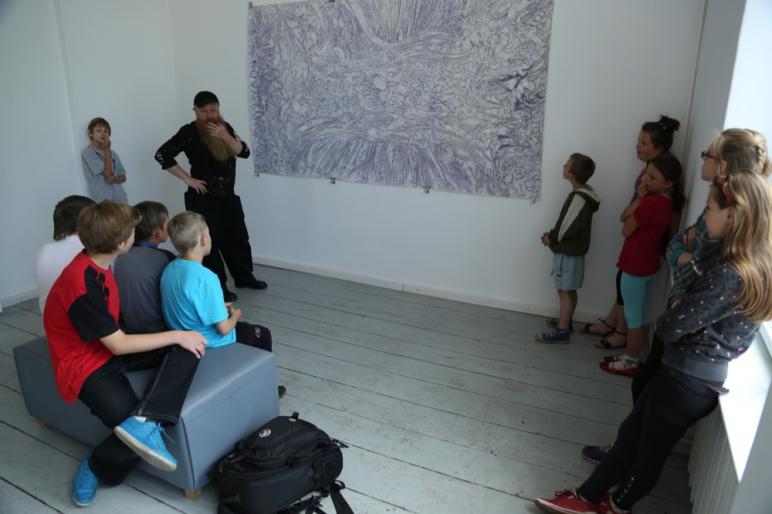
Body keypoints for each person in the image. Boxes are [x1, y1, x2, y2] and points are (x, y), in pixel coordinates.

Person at [535, 171, 772, 514]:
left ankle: (616, 505)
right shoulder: (737, 264)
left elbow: (671, 326)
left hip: (688, 381)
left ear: (733, 216)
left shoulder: (730, 275)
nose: (705, 217)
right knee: (631, 436)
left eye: (710, 209)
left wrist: (676, 303)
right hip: (685, 375)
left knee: (647, 453)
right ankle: (587, 497)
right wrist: (684, 296)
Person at [582, 129, 771, 463]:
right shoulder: (715, 209)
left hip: (686, 338)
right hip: (681, 323)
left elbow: (691, 271)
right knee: (643, 390)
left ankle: (626, 461)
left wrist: (685, 264)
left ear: (723, 165)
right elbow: (675, 246)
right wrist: (685, 259)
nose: (702, 159)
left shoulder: (729, 221)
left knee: (648, 397)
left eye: (707, 154)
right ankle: (624, 455)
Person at [42, 200, 207, 507]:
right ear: (121, 243)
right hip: (84, 364)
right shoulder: (80, 284)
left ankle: (145, 421)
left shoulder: (100, 261)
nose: (135, 234)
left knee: (190, 346)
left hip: (108, 346)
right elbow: (117, 344)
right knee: (130, 432)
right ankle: (96, 464)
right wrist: (176, 334)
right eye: (132, 231)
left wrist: (180, 337)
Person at [160, 210, 285, 398]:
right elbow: (224, 329)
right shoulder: (206, 278)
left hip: (182, 334)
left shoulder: (170, 268)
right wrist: (235, 315)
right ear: (203, 239)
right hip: (208, 341)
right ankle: (267, 391)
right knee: (262, 334)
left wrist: (217, 306)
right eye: (209, 233)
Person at [155, 91, 265, 303]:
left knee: (238, 238)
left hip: (228, 197)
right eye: (203, 111)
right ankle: (218, 286)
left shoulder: (225, 127)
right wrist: (188, 179)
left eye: (213, 110)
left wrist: (225, 136)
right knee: (208, 244)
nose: (209, 115)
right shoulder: (189, 132)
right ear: (195, 111)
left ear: (218, 109)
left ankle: (244, 277)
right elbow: (162, 154)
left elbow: (244, 152)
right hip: (203, 199)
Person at [582, 116, 681, 349]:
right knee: (622, 283)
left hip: (641, 243)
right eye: (639, 141)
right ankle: (612, 323)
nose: (638, 146)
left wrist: (636, 210)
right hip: (637, 241)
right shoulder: (655, 176)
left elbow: (628, 225)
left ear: (660, 149)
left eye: (644, 143)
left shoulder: (658, 192)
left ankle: (621, 334)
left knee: (630, 297)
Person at [599, 154, 685, 375]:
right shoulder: (664, 202)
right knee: (641, 314)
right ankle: (634, 355)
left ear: (669, 183)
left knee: (634, 317)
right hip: (647, 264)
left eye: (653, 177)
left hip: (635, 265)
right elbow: (624, 218)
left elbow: (625, 228)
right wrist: (640, 198)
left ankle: (631, 360)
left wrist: (641, 202)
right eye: (647, 173)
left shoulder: (653, 203)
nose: (646, 179)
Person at [536, 153, 600, 343]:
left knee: (564, 291)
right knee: (570, 290)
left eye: (566, 165)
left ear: (571, 174)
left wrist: (550, 238)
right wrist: (553, 235)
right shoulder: (587, 193)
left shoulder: (578, 198)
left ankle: (562, 331)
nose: (563, 166)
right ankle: (566, 321)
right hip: (575, 251)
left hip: (568, 252)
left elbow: (564, 227)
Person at [113, 201, 175, 334]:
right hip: (160, 331)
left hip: (128, 330)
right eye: (167, 223)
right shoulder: (166, 258)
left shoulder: (118, 257)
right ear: (157, 233)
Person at [35, 195, 95, 313]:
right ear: (86, 223)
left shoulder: (44, 250)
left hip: (50, 318)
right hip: (80, 320)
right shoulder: (89, 249)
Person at [81, 117, 128, 203]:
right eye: (99, 130)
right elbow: (107, 174)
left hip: (120, 199)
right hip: (103, 201)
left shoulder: (113, 153)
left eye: (106, 131)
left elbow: (123, 177)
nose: (103, 134)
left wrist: (114, 179)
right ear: (90, 133)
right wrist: (107, 150)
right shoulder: (88, 152)